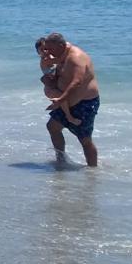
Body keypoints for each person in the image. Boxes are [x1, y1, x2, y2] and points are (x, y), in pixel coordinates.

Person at [39, 32, 100, 166]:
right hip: (68, 101)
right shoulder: (60, 54)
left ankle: (93, 171)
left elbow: (77, 81)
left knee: (84, 139)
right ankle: (61, 160)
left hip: (85, 103)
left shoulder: (75, 57)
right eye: (47, 48)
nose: (49, 52)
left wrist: (60, 99)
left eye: (51, 49)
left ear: (61, 45)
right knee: (52, 127)